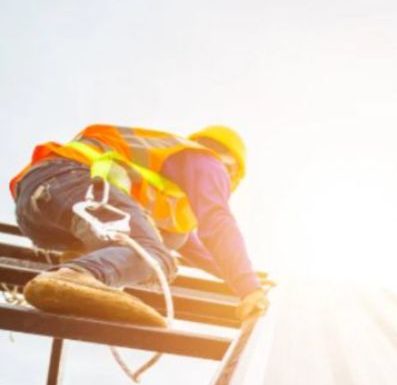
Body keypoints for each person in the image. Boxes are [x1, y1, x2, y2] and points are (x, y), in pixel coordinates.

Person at [9, 124, 268, 326]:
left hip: (39, 211)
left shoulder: (171, 194)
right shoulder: (206, 161)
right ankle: (76, 276)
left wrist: (250, 279)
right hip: (71, 181)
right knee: (155, 257)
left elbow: (201, 251)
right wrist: (249, 290)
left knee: (166, 243)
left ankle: (84, 264)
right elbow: (217, 222)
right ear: (231, 168)